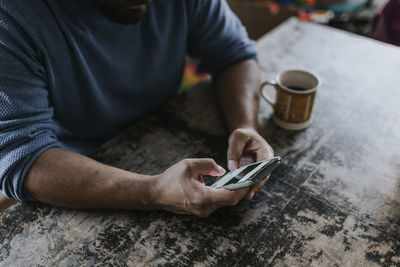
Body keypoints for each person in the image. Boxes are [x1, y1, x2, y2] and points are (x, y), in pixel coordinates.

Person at [0, 0, 274, 217]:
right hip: (73, 167)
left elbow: (234, 53)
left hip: (165, 130)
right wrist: (153, 191)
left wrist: (245, 125)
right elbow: (21, 155)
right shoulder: (13, 16)